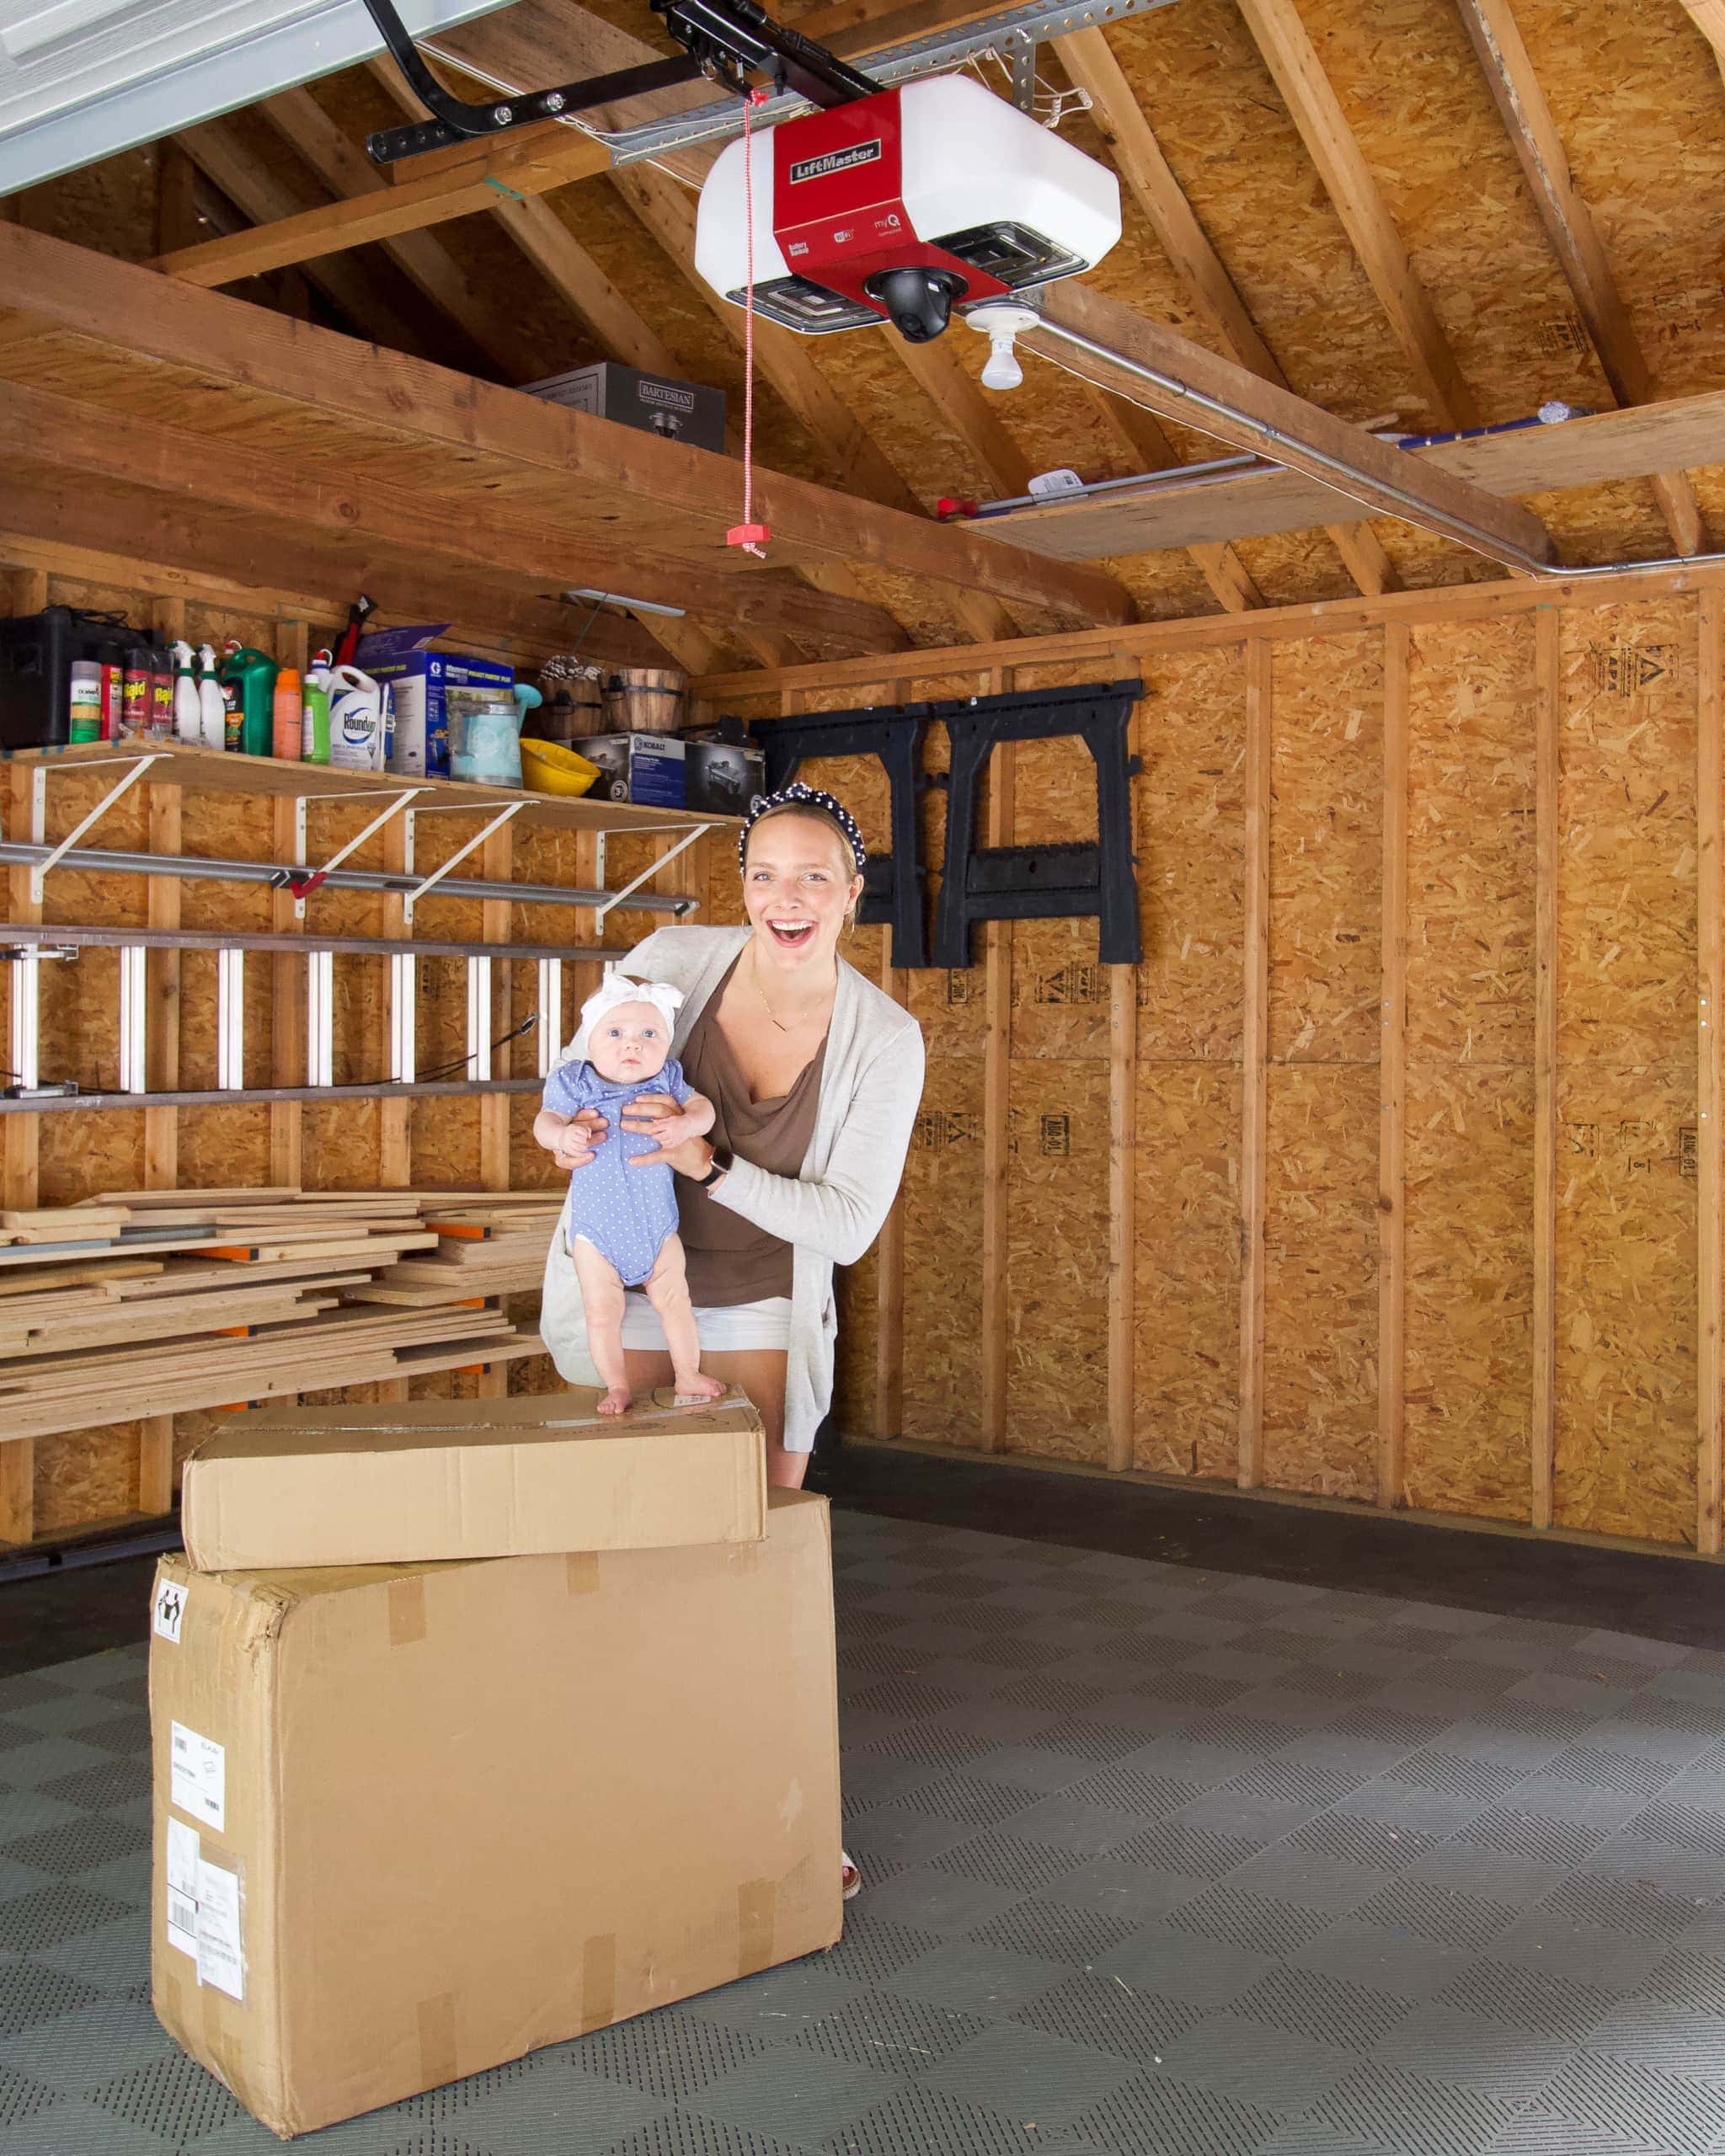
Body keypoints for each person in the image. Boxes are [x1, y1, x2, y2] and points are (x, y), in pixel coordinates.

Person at [539, 782, 926, 1901]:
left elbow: (847, 1227)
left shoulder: (884, 1041)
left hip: (758, 1301)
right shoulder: (671, 959)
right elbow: (573, 1078)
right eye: (764, 875)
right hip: (632, 1280)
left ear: (855, 894)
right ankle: (621, 1793)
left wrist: (713, 1166)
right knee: (624, 1549)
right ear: (741, 888)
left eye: (814, 876)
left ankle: (783, 1813)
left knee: (749, 1559)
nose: (785, 898)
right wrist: (571, 1130)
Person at [532, 974, 724, 1417]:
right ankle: (616, 1386)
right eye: (615, 1034)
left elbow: (704, 1109)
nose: (632, 1045)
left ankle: (688, 1373)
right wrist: (563, 1135)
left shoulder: (668, 1081)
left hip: (656, 1226)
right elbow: (543, 1123)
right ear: (592, 1041)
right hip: (597, 1234)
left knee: (675, 1302)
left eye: (649, 1035)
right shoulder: (574, 1082)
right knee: (601, 1313)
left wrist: (687, 1125)